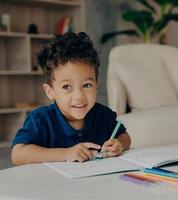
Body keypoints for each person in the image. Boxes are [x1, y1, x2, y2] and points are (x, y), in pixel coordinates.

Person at [11, 32, 131, 165]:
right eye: (67, 87)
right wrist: (66, 153)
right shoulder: (41, 119)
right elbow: (18, 154)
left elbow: (125, 136)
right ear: (50, 91)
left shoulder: (103, 115)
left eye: (87, 85)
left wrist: (119, 144)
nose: (79, 96)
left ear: (96, 87)